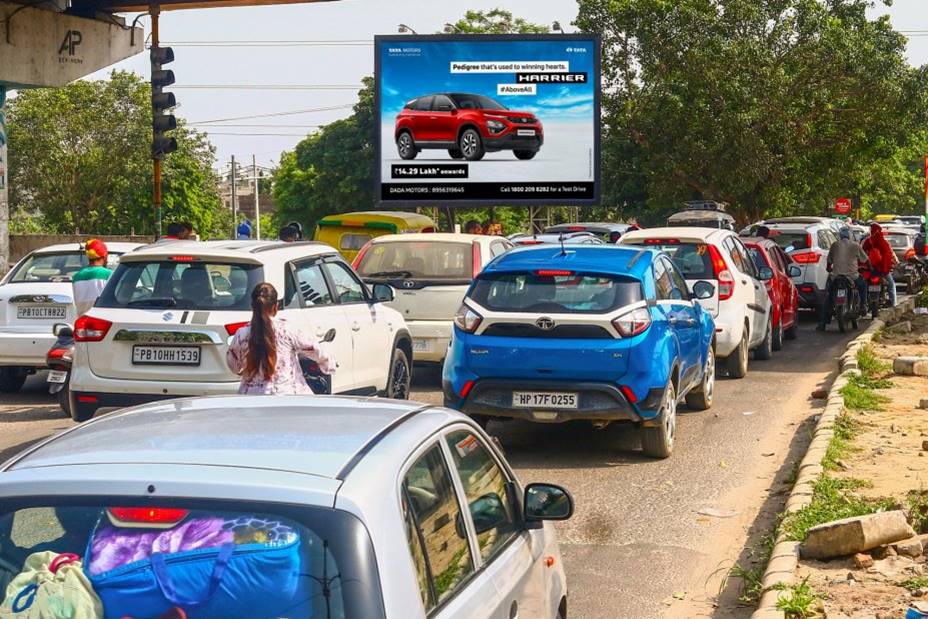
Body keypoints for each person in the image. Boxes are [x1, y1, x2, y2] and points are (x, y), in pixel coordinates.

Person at [226, 283, 335, 394]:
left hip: (251, 398)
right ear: (275, 307)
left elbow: (233, 366)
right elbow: (315, 349)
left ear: (253, 307)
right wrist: (328, 365)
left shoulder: (242, 334)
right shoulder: (287, 330)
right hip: (286, 397)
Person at [817, 227, 868, 331]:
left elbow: (829, 262)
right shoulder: (855, 245)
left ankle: (823, 323)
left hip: (836, 277)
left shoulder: (835, 245)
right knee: (863, 285)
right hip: (852, 277)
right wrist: (870, 268)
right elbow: (866, 260)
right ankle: (863, 304)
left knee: (829, 297)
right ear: (849, 235)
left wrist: (829, 268)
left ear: (840, 235)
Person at [72, 239, 113, 316]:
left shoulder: (76, 276)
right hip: (101, 321)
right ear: (104, 256)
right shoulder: (109, 274)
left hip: (82, 321)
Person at [862, 223, 897, 306]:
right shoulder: (884, 242)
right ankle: (893, 303)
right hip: (882, 269)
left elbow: (862, 254)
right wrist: (890, 264)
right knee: (891, 285)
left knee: (863, 285)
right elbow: (889, 256)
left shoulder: (867, 241)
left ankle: (863, 303)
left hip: (870, 269)